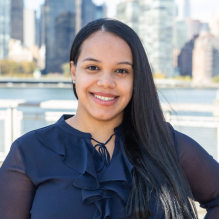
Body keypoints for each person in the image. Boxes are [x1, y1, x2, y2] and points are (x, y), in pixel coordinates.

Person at [0, 18, 219, 219]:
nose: (106, 82)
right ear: (74, 71)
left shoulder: (165, 142)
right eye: (93, 67)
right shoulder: (27, 152)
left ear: (136, 78)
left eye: (121, 71)